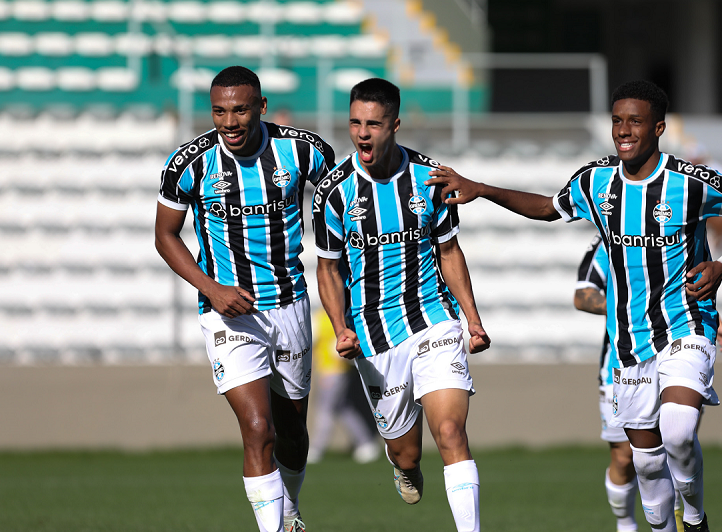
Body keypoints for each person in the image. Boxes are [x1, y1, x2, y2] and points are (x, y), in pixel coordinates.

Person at [426, 80, 722, 532]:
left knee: (678, 429)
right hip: (628, 344)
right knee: (646, 465)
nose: (623, 130)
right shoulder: (596, 181)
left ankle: (694, 517)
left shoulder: (690, 181)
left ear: (659, 128)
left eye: (635, 121)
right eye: (617, 121)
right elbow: (547, 208)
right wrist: (482, 188)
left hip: (686, 324)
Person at [154, 66, 335, 532]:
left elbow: (343, 207)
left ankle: (291, 507)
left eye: (239, 110)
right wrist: (211, 289)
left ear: (261, 108)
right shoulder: (188, 164)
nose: (229, 122)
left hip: (291, 304)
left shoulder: (305, 151)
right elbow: (165, 236)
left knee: (292, 431)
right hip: (227, 314)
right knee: (258, 428)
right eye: (219, 111)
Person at [313, 78, 490, 532]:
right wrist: (340, 327)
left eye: (373, 123)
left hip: (434, 320)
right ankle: (405, 467)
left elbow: (449, 252)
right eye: (355, 123)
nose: (362, 133)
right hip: (374, 336)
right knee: (404, 451)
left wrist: (472, 319)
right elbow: (329, 270)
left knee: (450, 432)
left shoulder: (429, 178)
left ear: (395, 124)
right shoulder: (334, 192)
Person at [574, 234, 722, 532]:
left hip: (675, 346)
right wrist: (626, 306)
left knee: (677, 436)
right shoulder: (607, 240)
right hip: (623, 359)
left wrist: (720, 321)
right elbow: (582, 294)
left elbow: (678, 290)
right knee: (626, 458)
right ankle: (625, 525)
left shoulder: (670, 232)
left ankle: (684, 520)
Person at [308, 308, 380, 464]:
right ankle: (366, 443)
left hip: (332, 371)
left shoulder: (321, 319)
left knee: (325, 410)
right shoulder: (341, 318)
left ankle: (316, 449)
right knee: (344, 408)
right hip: (337, 370)